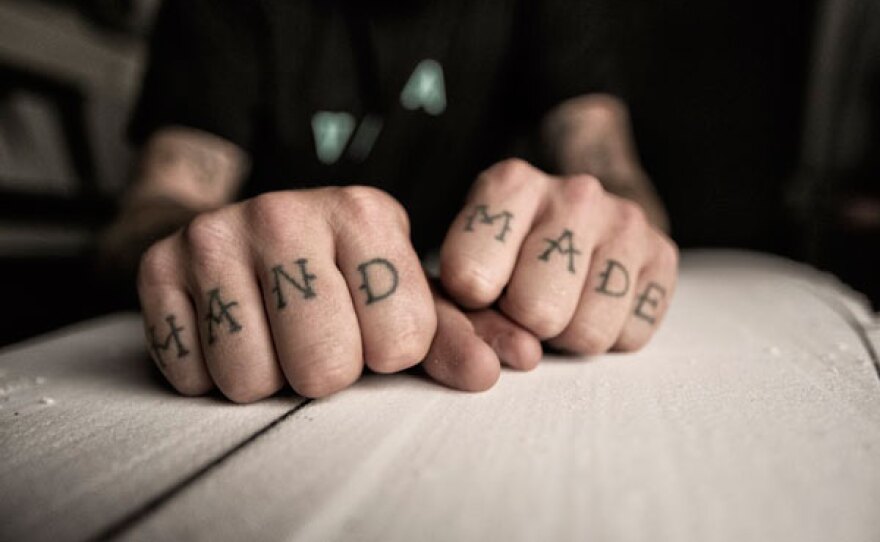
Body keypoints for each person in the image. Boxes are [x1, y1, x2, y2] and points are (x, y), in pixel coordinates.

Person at [100, 0, 678, 403]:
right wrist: (199, 256)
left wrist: (613, 225)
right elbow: (157, 204)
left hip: (490, 318)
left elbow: (609, 168)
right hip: (289, 331)